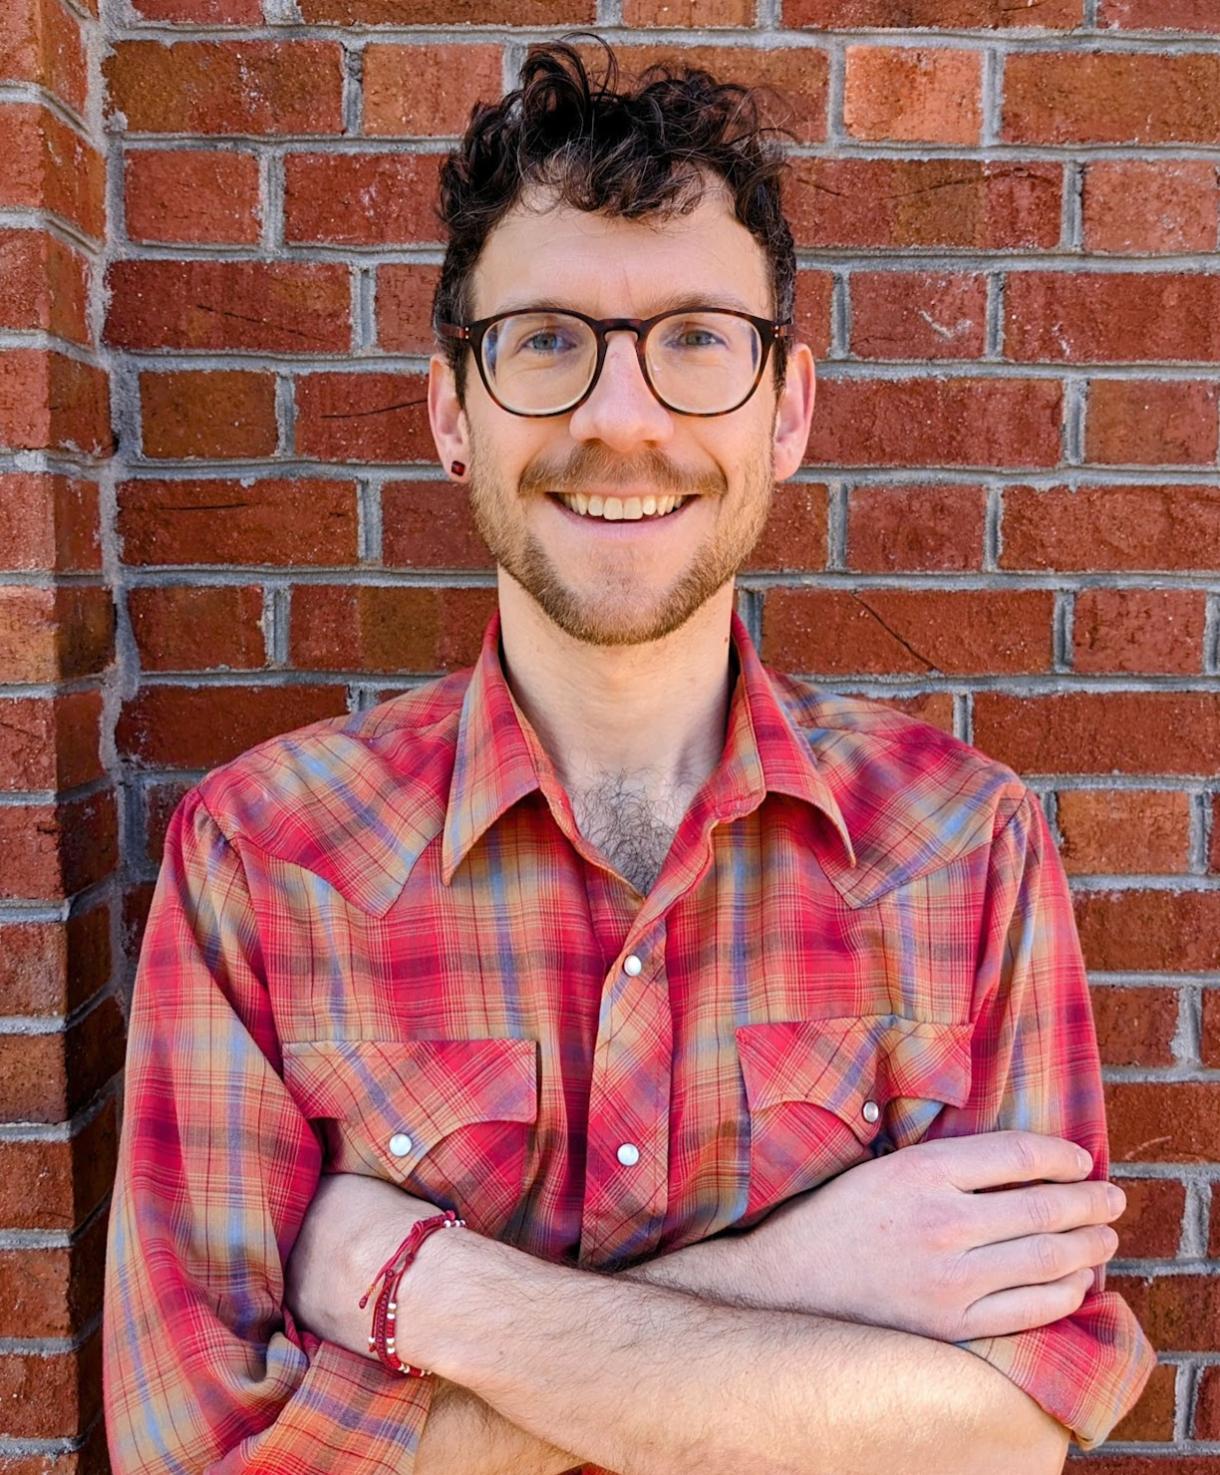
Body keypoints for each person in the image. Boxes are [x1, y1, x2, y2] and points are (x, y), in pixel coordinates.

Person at [102, 37, 1155, 1475]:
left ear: (785, 408)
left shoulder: (963, 848)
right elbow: (201, 1458)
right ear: (446, 411)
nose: (621, 420)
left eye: (695, 342)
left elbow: (1008, 1437)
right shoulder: (267, 861)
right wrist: (809, 1280)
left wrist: (419, 1288)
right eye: (545, 341)